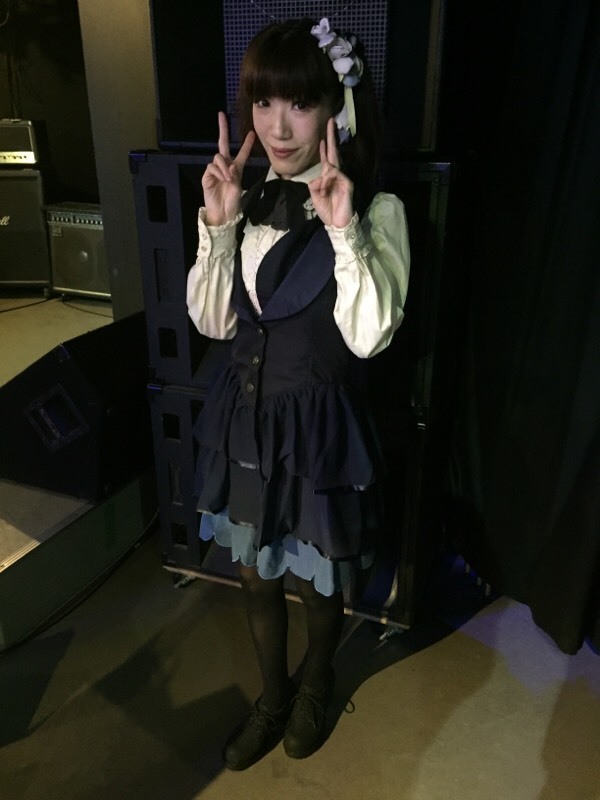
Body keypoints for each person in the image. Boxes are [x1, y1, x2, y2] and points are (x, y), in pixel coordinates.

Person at [186, 16, 410, 770]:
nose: (279, 128)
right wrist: (217, 227)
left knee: (317, 583)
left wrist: (344, 232)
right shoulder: (241, 201)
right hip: (244, 422)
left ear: (335, 109)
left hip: (316, 431)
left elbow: (370, 337)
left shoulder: (376, 213)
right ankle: (273, 695)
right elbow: (214, 322)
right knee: (254, 575)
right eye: (263, 103)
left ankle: (316, 685)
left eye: (301, 104)